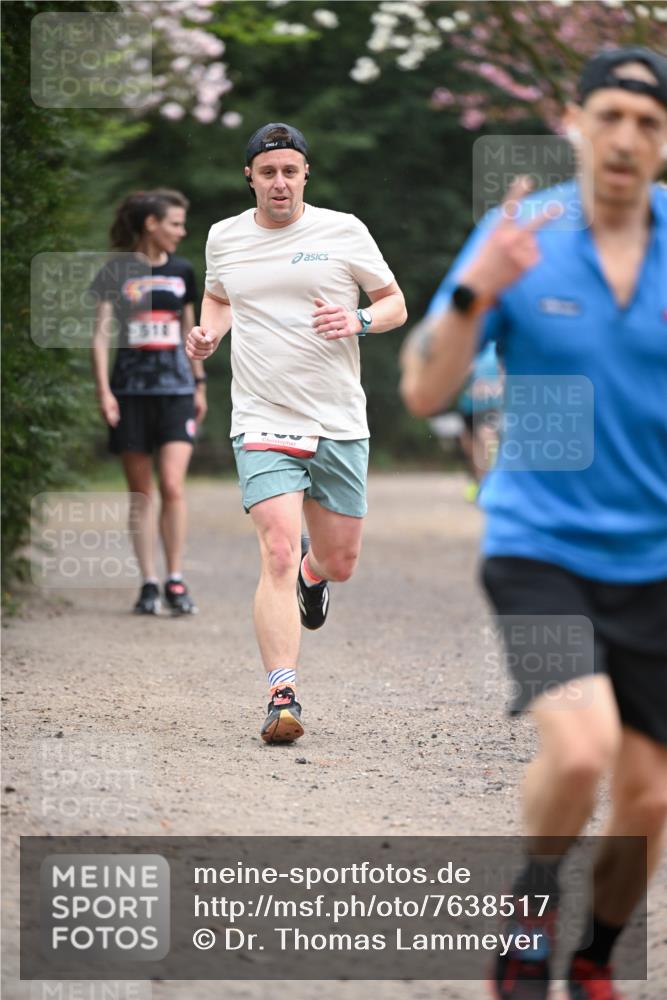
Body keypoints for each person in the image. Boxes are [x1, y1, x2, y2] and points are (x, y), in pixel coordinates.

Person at [401, 47, 667, 1000]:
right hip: (538, 544)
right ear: (575, 126)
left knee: (649, 798)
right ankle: (528, 909)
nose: (627, 139)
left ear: (664, 142)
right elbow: (425, 385)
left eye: (647, 123)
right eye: (609, 118)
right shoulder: (523, 236)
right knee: (583, 747)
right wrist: (476, 287)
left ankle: (594, 958)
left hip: (655, 562)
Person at [186, 122, 406, 744]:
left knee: (338, 559)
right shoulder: (223, 237)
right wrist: (209, 333)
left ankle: (316, 577)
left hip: (336, 416)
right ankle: (282, 694)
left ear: (306, 173)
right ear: (249, 177)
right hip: (262, 414)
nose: (279, 182)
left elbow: (395, 304)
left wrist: (359, 319)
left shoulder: (343, 230)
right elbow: (219, 299)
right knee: (277, 548)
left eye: (289, 170)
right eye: (267, 172)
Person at [91, 189, 206, 615]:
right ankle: (148, 582)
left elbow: (190, 333)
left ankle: (175, 579)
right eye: (175, 223)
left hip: (176, 391)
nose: (182, 231)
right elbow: (101, 335)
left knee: (173, 485)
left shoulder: (184, 271)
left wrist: (200, 386)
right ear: (152, 225)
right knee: (141, 491)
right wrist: (104, 391)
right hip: (130, 393)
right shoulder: (115, 271)